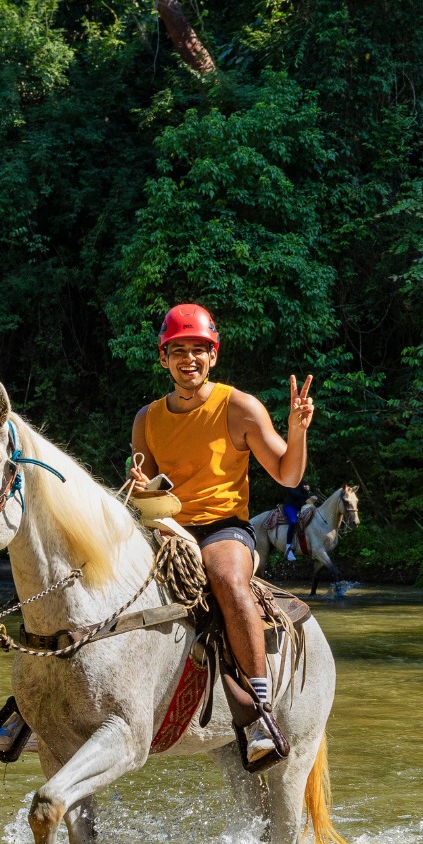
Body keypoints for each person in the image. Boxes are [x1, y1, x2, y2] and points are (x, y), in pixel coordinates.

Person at [128, 303, 314, 766]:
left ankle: (259, 712)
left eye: (197, 349)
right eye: (178, 350)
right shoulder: (147, 419)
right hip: (167, 525)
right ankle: (43, 703)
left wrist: (296, 431)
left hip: (223, 527)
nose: (188, 359)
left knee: (227, 578)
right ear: (163, 358)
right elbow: (146, 489)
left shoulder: (239, 407)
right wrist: (138, 488)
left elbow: (288, 476)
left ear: (212, 355)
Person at [281, 479, 313, 561]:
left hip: (301, 507)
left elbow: (305, 494)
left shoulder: (301, 481)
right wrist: (308, 496)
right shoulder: (288, 481)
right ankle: (288, 548)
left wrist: (308, 491)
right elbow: (295, 494)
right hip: (290, 506)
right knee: (293, 522)